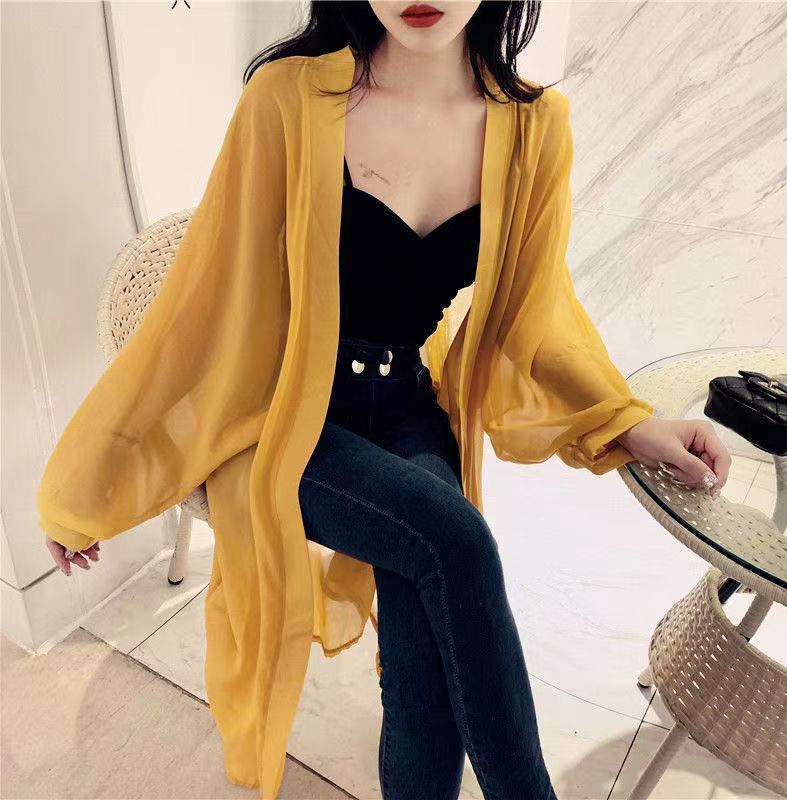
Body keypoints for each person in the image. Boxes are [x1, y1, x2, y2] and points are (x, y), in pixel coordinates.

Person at [42, 3, 731, 798]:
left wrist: (631, 423)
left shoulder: (536, 129)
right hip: (281, 416)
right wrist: (85, 486)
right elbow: (199, 309)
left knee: (424, 641)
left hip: (407, 408)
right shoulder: (287, 99)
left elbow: (537, 317)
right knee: (454, 540)